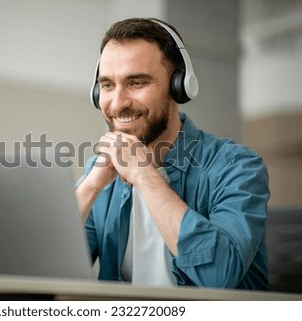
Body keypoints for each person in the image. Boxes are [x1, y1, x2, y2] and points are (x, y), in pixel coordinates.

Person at [75, 18, 270, 290]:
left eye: (136, 82)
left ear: (179, 85)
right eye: (107, 85)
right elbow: (44, 269)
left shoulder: (237, 167)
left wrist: (144, 174)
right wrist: (90, 187)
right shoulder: (100, 173)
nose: (118, 103)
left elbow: (218, 276)